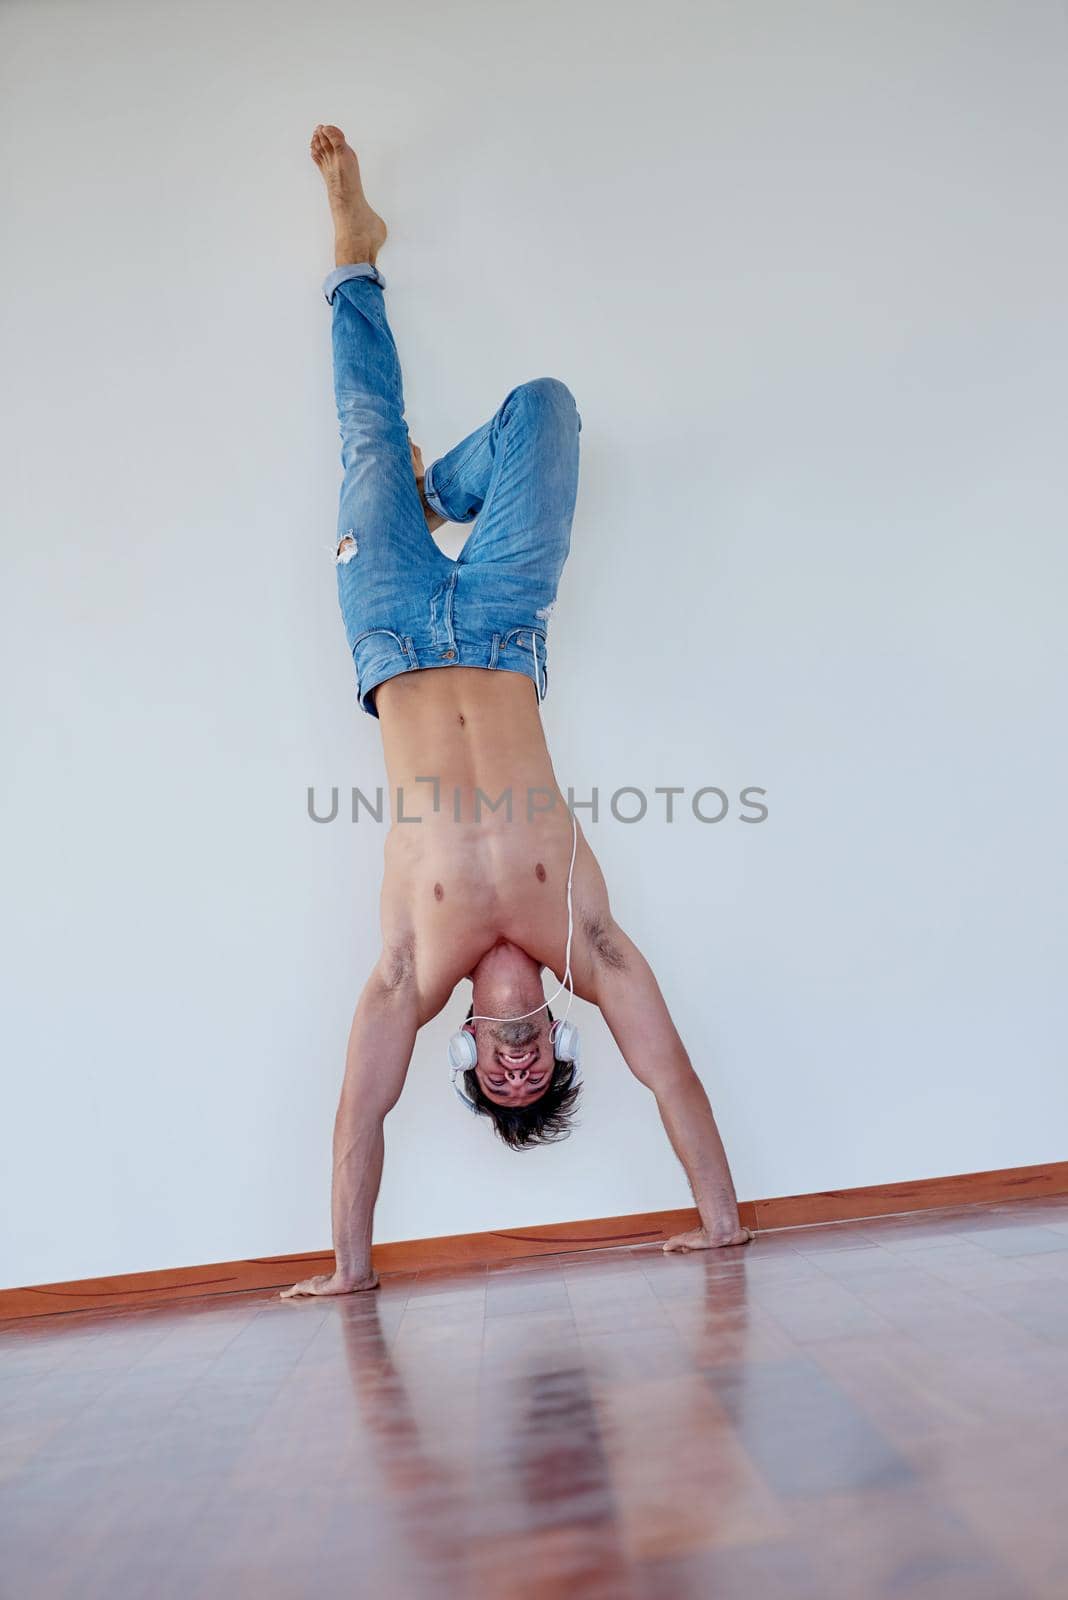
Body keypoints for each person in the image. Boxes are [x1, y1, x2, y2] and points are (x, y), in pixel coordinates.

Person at [282, 125, 752, 1300]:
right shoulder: (586, 942)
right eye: (534, 1065)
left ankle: (353, 250)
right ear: (552, 1032)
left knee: (366, 438)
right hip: (498, 627)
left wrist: (351, 1271)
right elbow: (674, 1075)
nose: (517, 1056)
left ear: (472, 1050)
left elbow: (359, 1111)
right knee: (547, 407)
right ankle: (452, 483)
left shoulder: (409, 968)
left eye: (500, 1071)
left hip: (388, 629)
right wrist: (724, 1225)